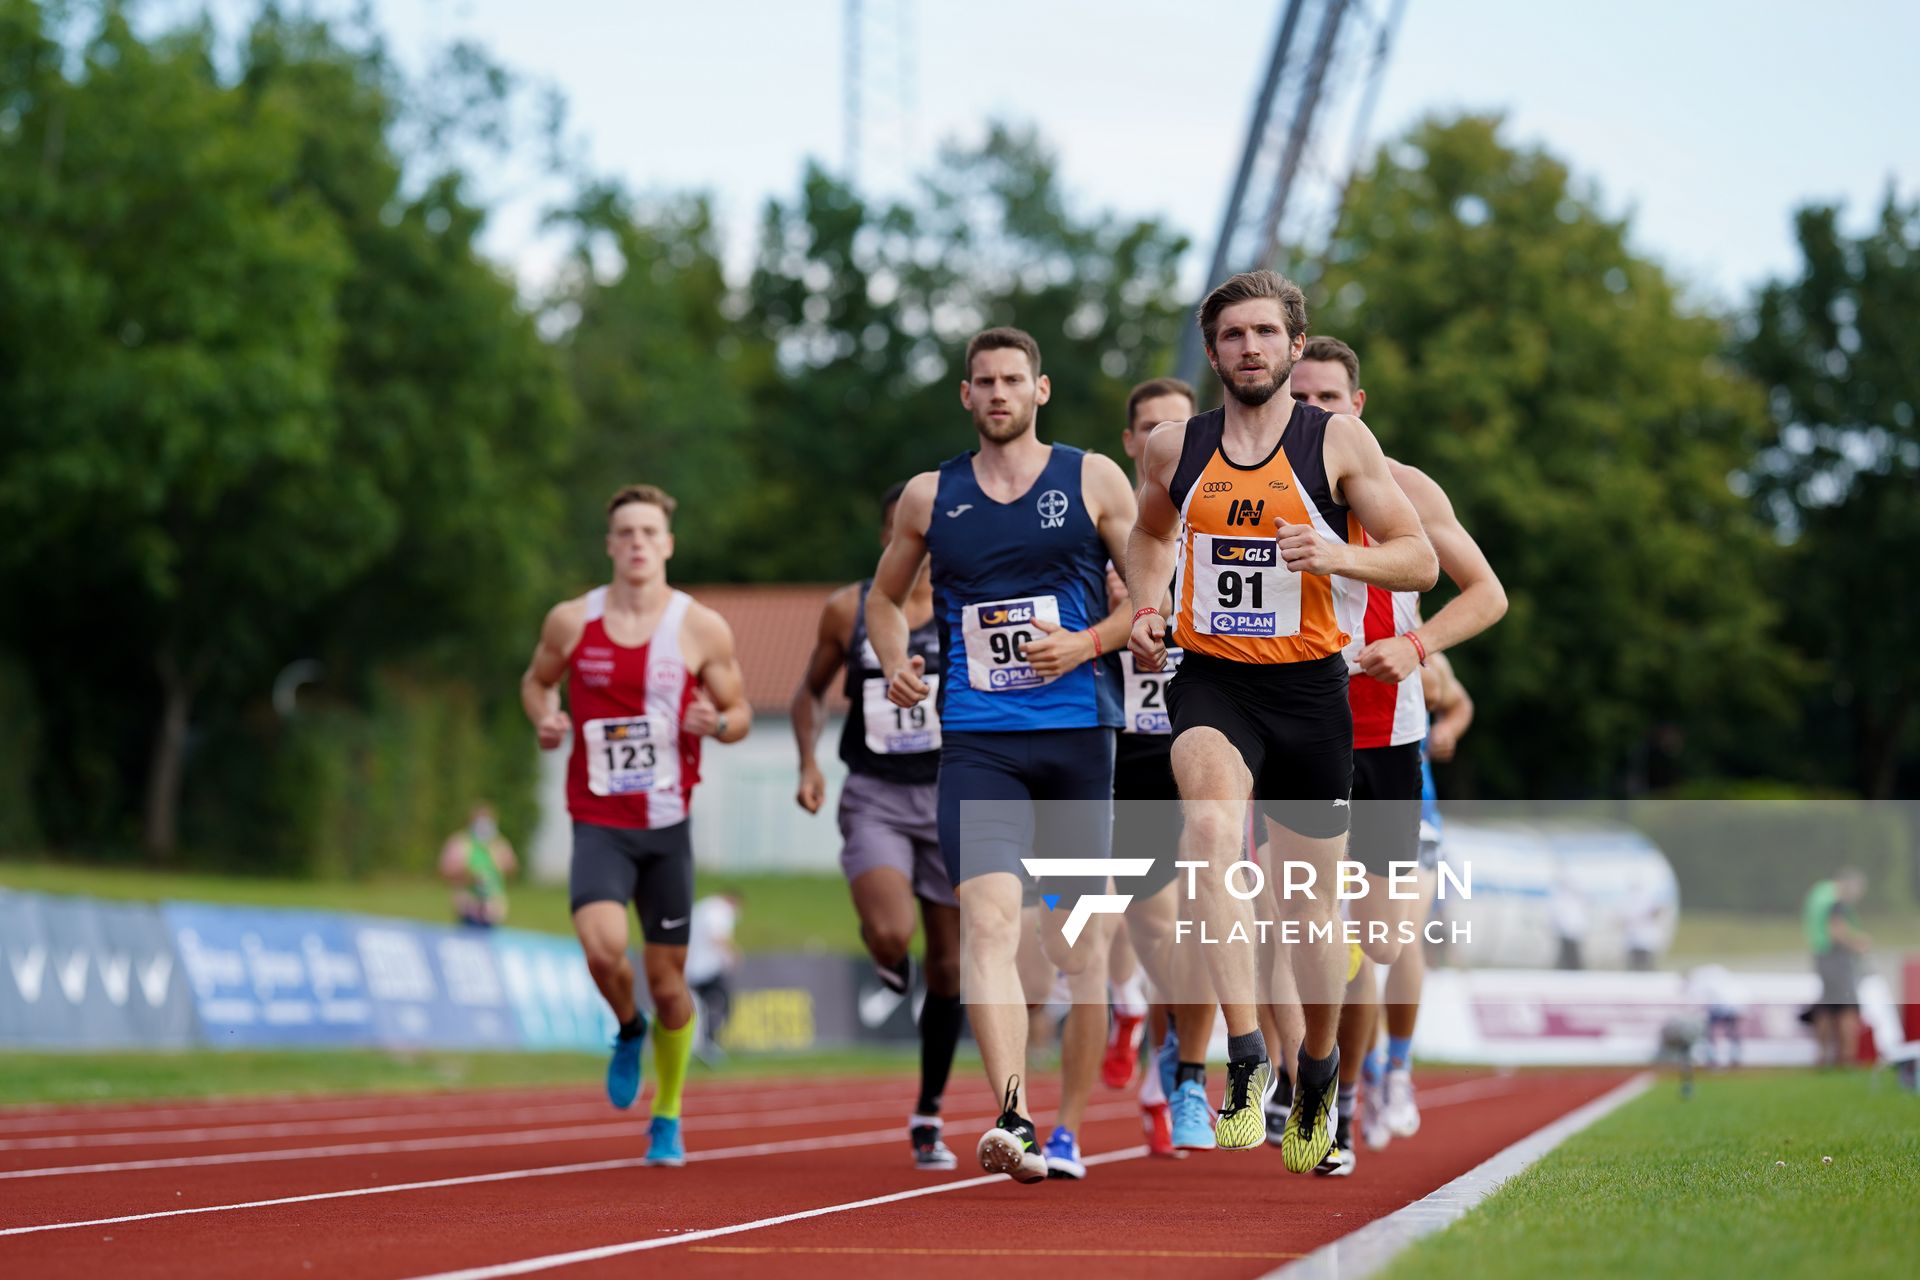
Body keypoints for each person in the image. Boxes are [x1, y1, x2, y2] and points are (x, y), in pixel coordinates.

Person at [1125, 269, 1436, 1175]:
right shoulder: (1174, 448)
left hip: (1310, 692)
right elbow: (1149, 538)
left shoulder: (1337, 441)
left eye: (1266, 333)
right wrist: (1148, 609)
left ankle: (1321, 1067)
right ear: (1214, 350)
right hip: (1212, 681)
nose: (1250, 348)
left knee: (1311, 922)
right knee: (1210, 829)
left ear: (1295, 346)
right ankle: (1246, 1054)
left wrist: (1334, 550)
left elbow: (1418, 560)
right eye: (1232, 335)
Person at [868, 326, 1136, 1183]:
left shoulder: (1093, 478)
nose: (997, 394)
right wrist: (895, 660)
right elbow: (881, 597)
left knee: (1071, 947)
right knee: (986, 922)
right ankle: (1013, 1117)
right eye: (982, 381)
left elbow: (1152, 596)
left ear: (1040, 390)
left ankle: (1072, 1125)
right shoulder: (929, 496)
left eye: (1012, 380)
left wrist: (1089, 642)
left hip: (1076, 739)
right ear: (965, 394)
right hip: (979, 741)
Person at [1285, 337, 1507, 1176]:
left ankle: (1371, 1072)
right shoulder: (1254, 484)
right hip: (1295, 731)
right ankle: (1320, 1101)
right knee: (1300, 921)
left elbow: (1488, 593)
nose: (1314, 414)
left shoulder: (1404, 488)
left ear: (1359, 405)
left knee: (1377, 943)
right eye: (1300, 400)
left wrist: (1415, 646)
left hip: (1388, 737)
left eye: (1329, 400)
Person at [521, 483, 752, 1168]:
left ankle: (669, 1113)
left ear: (668, 544)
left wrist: (720, 724)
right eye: (625, 533)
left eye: (649, 532)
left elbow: (737, 712)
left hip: (665, 827)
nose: (638, 544)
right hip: (597, 820)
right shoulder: (572, 620)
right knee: (600, 949)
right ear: (610, 545)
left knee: (672, 983)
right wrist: (546, 718)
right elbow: (536, 682)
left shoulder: (701, 626)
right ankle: (628, 1028)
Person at [792, 481, 965, 1172]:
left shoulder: (964, 609)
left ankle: (928, 1110)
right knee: (894, 931)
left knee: (951, 967)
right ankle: (887, 957)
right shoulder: (848, 609)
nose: (913, 547)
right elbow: (808, 693)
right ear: (885, 537)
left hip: (951, 791)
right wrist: (807, 762)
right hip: (875, 793)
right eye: (900, 532)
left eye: (924, 533)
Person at [1110, 377, 1219, 1157]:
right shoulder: (1107, 526)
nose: (1165, 440)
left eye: (1178, 427)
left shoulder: (1225, 518)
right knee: (1156, 928)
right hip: (1129, 750)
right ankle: (1146, 1019)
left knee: (1206, 912)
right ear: (1132, 443)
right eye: (1151, 428)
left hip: (1211, 741)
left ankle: (1187, 1077)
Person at [1805, 868, 1871, 1068]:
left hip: (1821, 955)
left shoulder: (1820, 893)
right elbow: (1836, 930)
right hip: (1836, 959)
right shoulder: (1837, 901)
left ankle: (1823, 1056)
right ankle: (1847, 1058)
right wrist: (1857, 944)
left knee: (1826, 1006)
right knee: (1847, 1007)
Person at [683, 891, 741, 1061]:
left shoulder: (702, 907)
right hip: (706, 969)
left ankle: (699, 1045)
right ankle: (709, 1044)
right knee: (720, 1004)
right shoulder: (720, 910)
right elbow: (716, 936)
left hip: (690, 967)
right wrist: (733, 953)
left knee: (700, 1007)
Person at [439, 804, 518, 928]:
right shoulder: (461, 842)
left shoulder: (499, 844)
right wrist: (468, 875)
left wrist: (497, 867)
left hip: (493, 907)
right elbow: (446, 871)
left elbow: (512, 868)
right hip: (467, 906)